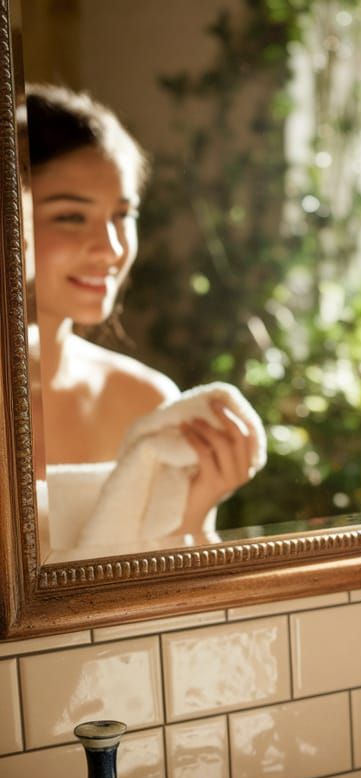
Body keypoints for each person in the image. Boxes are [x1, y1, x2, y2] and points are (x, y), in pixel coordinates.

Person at [23, 83, 259, 551]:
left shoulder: (145, 404)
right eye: (71, 216)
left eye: (122, 215)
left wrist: (196, 513)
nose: (111, 250)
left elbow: (177, 604)